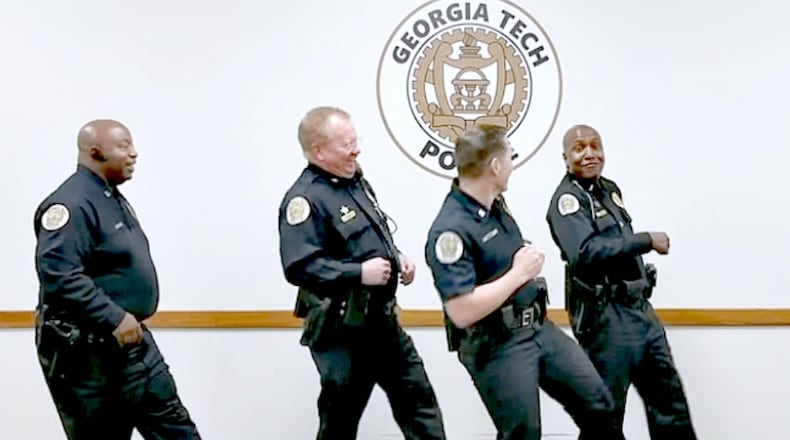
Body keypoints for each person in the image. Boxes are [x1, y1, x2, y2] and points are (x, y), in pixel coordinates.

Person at [424, 124, 621, 440]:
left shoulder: (495, 205)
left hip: (537, 328)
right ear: (496, 166)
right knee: (523, 434)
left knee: (600, 407)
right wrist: (518, 273)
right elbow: (461, 311)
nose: (512, 166)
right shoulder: (450, 229)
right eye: (509, 159)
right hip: (496, 344)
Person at [277, 106, 446, 440]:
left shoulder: (355, 182)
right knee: (340, 420)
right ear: (319, 151)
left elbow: (368, 239)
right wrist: (358, 273)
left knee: (419, 403)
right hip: (340, 330)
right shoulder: (305, 198)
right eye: (347, 143)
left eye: (356, 140)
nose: (356, 149)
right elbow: (299, 265)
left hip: (382, 324)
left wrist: (396, 257)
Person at [33, 119, 201, 440]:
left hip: (133, 348)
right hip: (86, 356)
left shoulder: (109, 197)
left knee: (179, 432)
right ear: (95, 151)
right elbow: (59, 273)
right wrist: (112, 316)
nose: (134, 153)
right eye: (124, 145)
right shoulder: (71, 204)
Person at [545, 124, 696, 439]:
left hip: (639, 310)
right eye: (579, 148)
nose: (589, 154)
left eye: (595, 146)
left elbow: (616, 243)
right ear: (565, 158)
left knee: (670, 402)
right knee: (605, 414)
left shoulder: (609, 189)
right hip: (605, 318)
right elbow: (584, 252)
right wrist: (646, 240)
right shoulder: (566, 201)